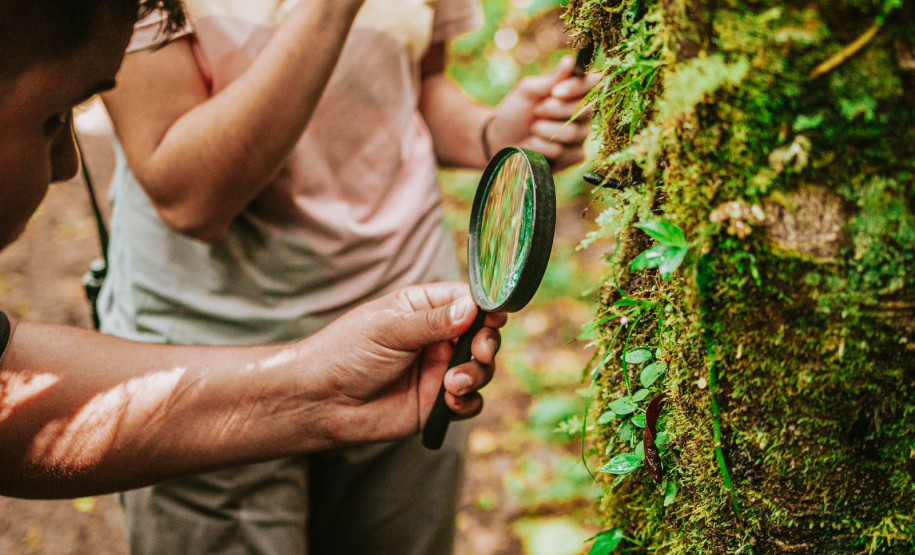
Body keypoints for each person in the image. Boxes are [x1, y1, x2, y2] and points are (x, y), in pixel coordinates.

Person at [99, 1, 600, 553]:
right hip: (211, 356)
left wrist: (491, 130)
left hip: (411, 343)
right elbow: (192, 197)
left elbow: (417, 82)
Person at [0, 0, 505, 501]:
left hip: (400, 310)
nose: (68, 164)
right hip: (205, 331)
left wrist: (490, 133)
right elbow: (192, 199)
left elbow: (10, 376)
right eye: (52, 119)